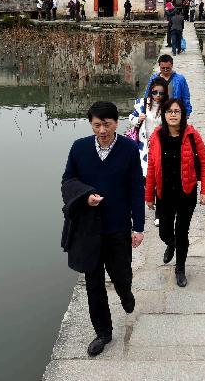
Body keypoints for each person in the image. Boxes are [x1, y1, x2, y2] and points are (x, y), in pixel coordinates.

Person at [61, 101, 144, 357]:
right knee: (93, 283)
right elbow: (67, 181)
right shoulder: (80, 148)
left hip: (118, 227)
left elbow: (135, 190)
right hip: (89, 229)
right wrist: (85, 197)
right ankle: (103, 332)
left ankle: (126, 294)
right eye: (97, 125)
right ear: (91, 124)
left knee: (121, 275)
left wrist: (138, 227)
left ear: (116, 123)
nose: (102, 130)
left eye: (106, 124)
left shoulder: (129, 149)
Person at [145, 98, 205, 287]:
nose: (173, 115)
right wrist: (149, 195)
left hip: (186, 193)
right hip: (164, 194)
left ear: (182, 115)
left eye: (177, 111)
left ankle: (180, 268)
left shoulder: (191, 135)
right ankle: (170, 243)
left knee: (182, 232)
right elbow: (151, 167)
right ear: (164, 115)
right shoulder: (156, 136)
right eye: (169, 111)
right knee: (164, 232)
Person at [128, 76, 169, 226]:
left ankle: (159, 213)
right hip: (144, 148)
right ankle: (148, 202)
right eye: (155, 92)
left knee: (159, 179)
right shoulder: (141, 104)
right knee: (145, 179)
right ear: (150, 92)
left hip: (162, 147)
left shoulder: (168, 106)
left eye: (161, 93)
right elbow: (130, 118)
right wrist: (138, 119)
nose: (158, 96)